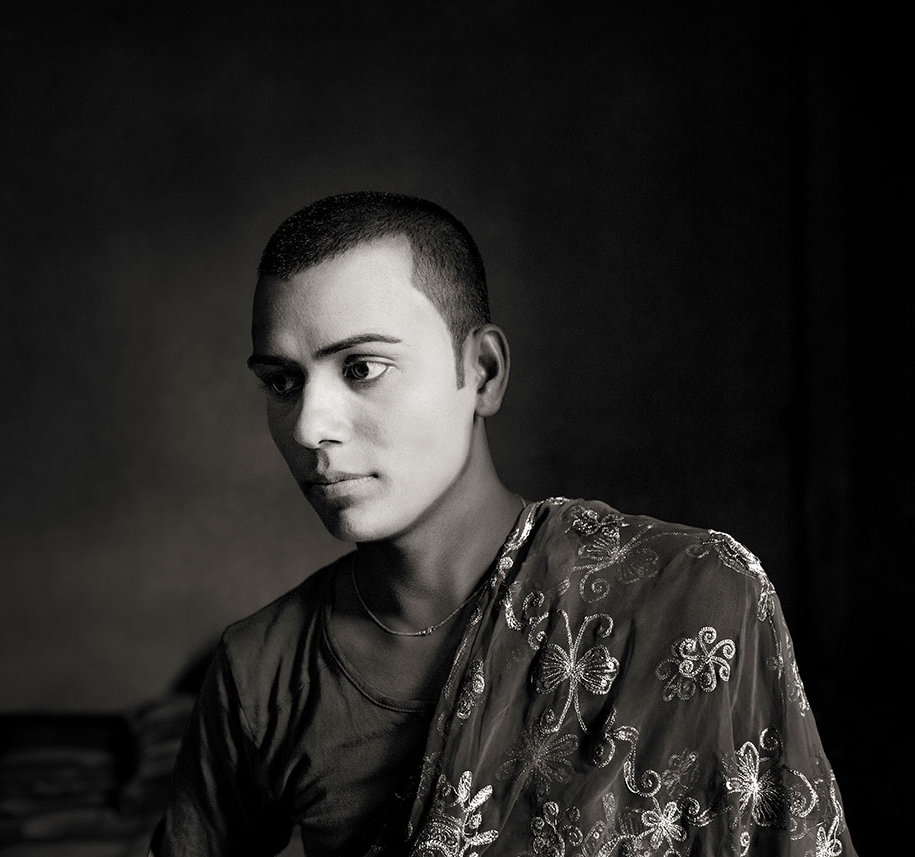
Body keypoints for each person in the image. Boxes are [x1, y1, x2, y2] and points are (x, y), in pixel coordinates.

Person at [150, 192, 855, 856]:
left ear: (481, 371)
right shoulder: (263, 670)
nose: (309, 426)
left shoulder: (692, 597)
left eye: (362, 367)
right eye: (281, 381)